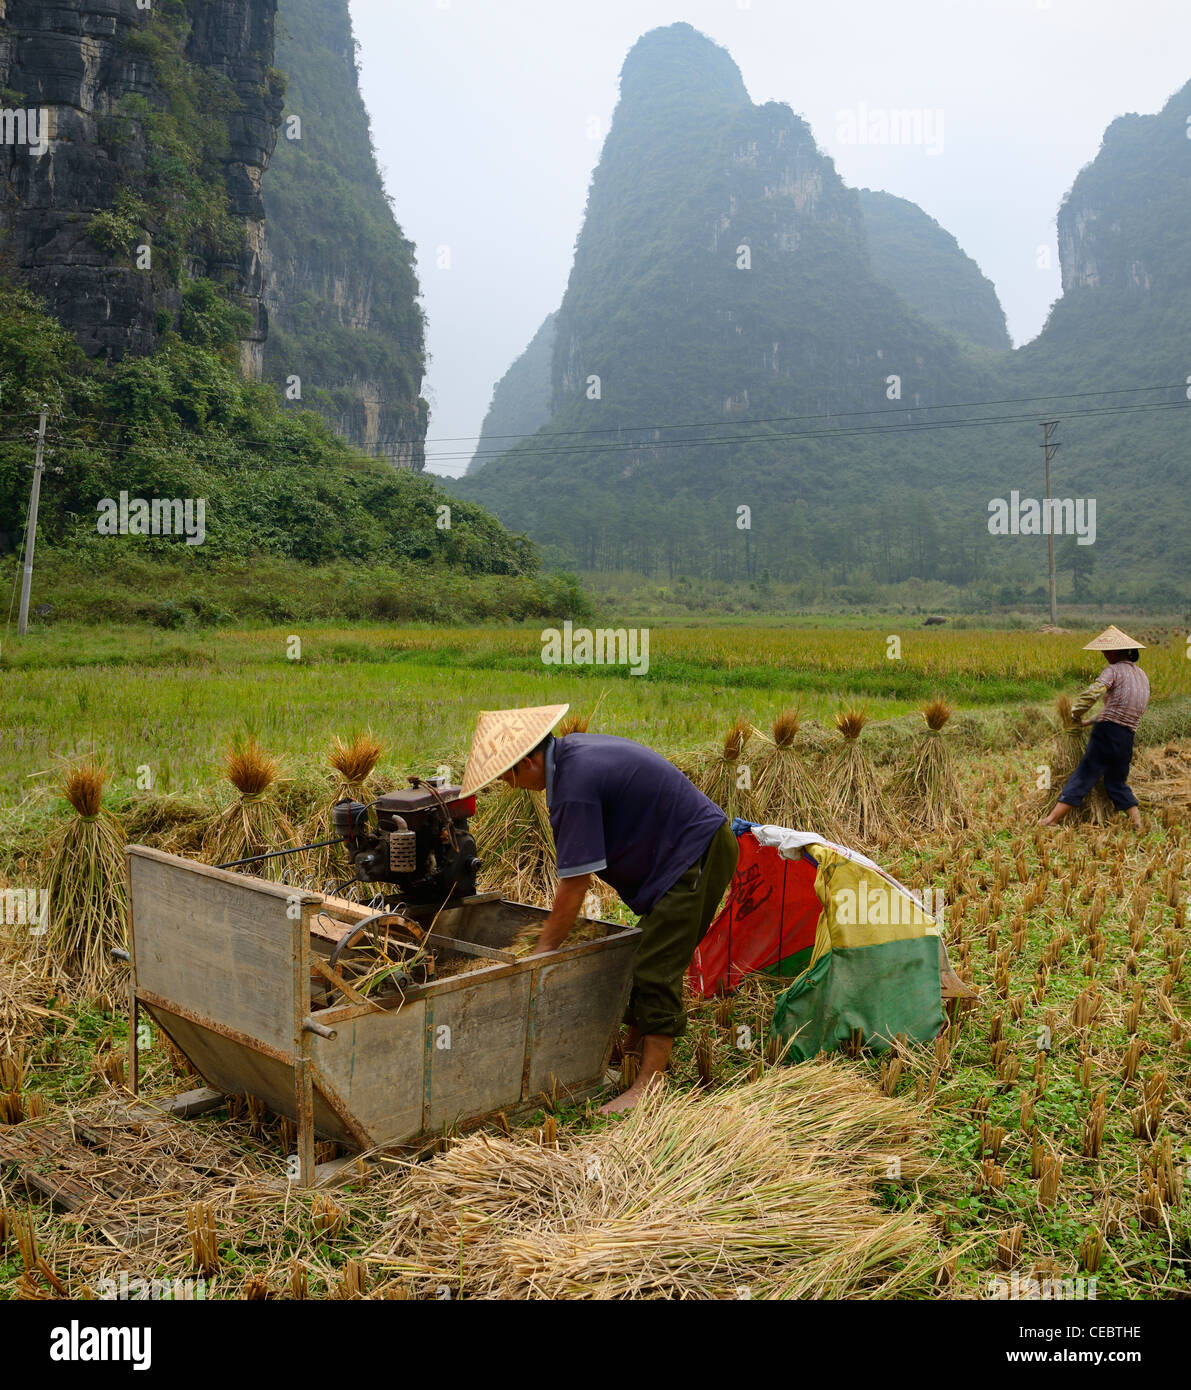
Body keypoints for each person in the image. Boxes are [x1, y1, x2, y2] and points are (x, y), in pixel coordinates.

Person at [461, 704, 738, 1114]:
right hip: (687, 851)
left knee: (654, 967)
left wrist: (543, 950)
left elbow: (574, 884)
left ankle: (650, 1084)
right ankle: (631, 1047)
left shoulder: (573, 784)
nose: (509, 783)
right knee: (648, 951)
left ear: (530, 761)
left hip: (694, 856)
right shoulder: (571, 756)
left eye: (509, 775)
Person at [1040, 626, 1150, 831]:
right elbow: (1119, 708)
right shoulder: (1142, 677)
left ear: (1118, 651)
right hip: (1127, 736)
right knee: (1116, 781)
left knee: (1084, 774)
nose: (1105, 655)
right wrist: (1087, 722)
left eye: (1107, 651)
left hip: (1107, 732)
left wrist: (1075, 713)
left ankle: (1052, 819)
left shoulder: (1114, 670)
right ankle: (1137, 822)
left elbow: (1093, 693)